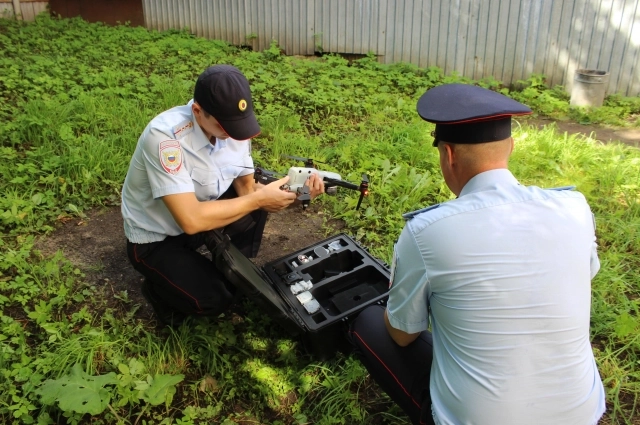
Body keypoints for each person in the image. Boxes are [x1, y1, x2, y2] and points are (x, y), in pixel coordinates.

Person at [350, 84, 605, 425]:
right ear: (510, 147)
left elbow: (401, 333)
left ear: (448, 155)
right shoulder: (574, 208)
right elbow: (583, 273)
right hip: (582, 414)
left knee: (368, 323)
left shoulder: (427, 231)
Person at [121, 64, 324, 326]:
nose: (232, 134)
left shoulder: (234, 127)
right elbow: (191, 220)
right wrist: (258, 200)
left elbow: (248, 191)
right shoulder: (165, 139)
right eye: (224, 125)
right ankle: (160, 292)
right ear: (197, 111)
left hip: (204, 211)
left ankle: (228, 267)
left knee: (238, 281)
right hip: (156, 237)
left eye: (237, 125)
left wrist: (298, 194)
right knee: (216, 299)